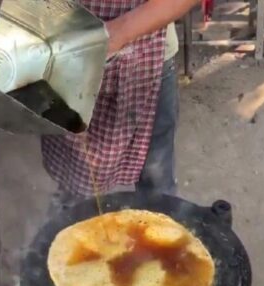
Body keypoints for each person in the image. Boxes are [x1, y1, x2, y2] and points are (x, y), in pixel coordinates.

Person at [42, 0, 200, 214]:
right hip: (65, 55)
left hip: (148, 58)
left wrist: (113, 36)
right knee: (75, 188)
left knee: (157, 191)